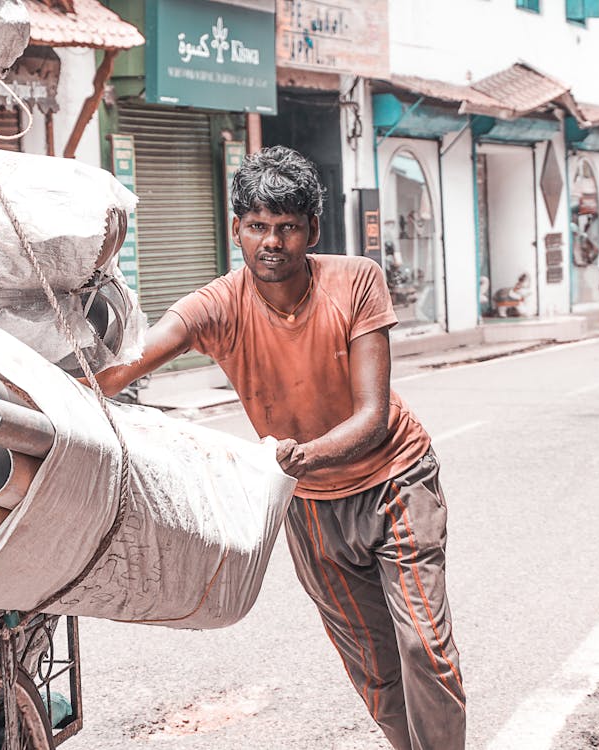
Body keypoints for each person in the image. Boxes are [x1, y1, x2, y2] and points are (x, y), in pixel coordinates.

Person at [89, 146, 465, 750]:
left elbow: (371, 417)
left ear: (311, 230)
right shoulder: (217, 304)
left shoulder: (356, 281)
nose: (272, 241)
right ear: (236, 230)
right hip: (311, 508)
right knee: (373, 667)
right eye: (258, 226)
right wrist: (57, 380)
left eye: (288, 226)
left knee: (423, 645)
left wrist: (299, 457)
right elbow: (131, 362)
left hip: (396, 479)